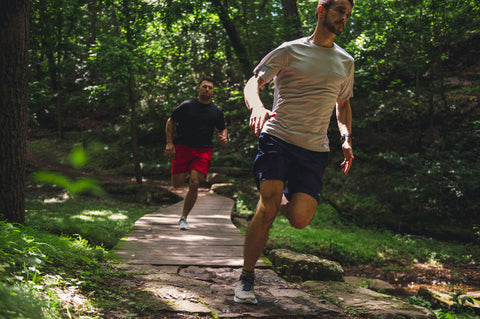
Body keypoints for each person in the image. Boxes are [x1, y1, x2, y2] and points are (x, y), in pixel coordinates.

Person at [234, 0, 355, 304]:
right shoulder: (289, 50)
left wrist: (346, 136)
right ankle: (246, 279)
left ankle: (282, 197)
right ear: (321, 9)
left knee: (300, 218)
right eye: (339, 9)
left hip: (314, 149)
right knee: (269, 205)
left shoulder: (345, 62)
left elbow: (343, 105)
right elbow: (253, 83)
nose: (343, 17)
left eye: (347, 14)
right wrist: (258, 107)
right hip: (277, 138)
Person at [165, 75, 228, 230]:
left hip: (203, 150)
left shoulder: (216, 111)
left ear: (213, 92)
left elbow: (222, 128)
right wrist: (169, 142)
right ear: (198, 88)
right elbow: (170, 121)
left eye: (210, 87)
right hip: (183, 148)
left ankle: (184, 217)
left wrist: (224, 136)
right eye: (204, 86)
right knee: (177, 184)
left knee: (194, 182)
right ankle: (188, 169)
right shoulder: (187, 106)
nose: (207, 89)